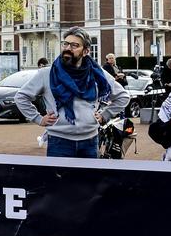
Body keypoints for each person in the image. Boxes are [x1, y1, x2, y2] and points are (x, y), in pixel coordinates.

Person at [13, 27, 129, 158]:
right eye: (66, 44)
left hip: (90, 142)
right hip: (59, 143)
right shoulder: (47, 74)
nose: (68, 48)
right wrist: (38, 119)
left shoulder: (97, 74)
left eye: (74, 45)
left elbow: (122, 96)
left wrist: (105, 115)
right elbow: (21, 97)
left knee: (89, 173)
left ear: (86, 51)